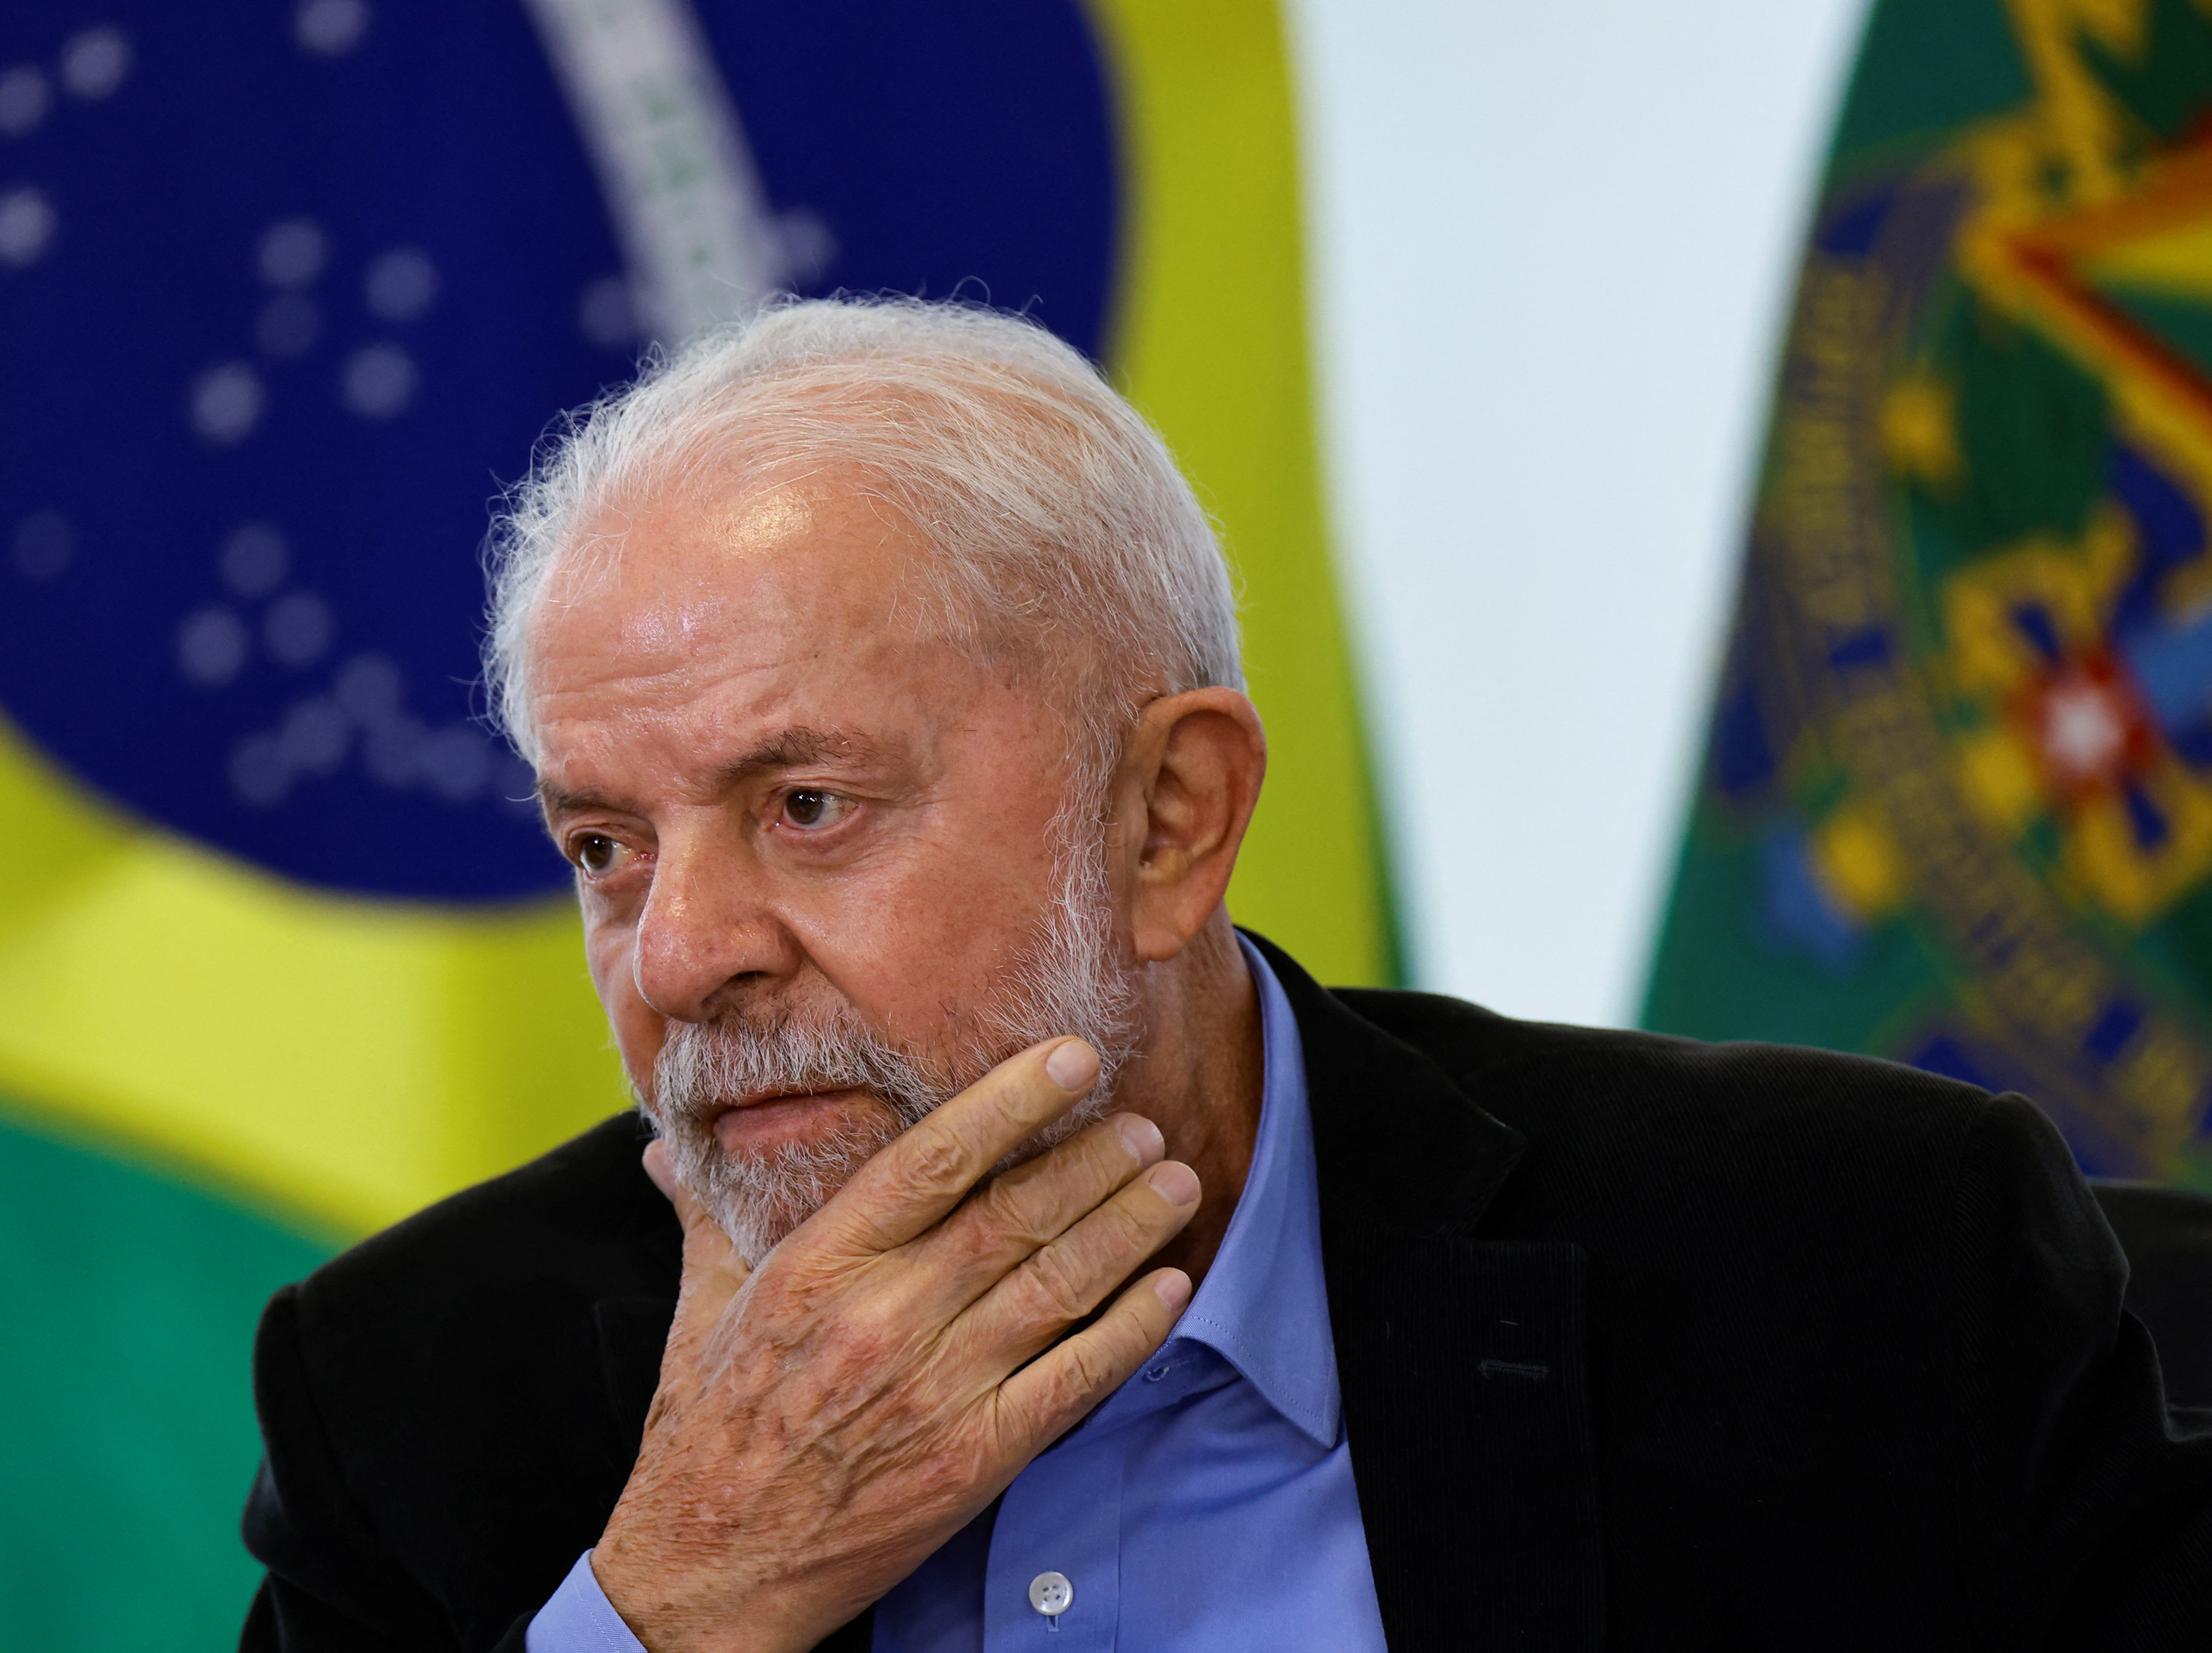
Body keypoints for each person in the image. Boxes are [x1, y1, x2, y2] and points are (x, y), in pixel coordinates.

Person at [239, 297, 2212, 1653]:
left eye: (811, 801)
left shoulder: (1853, 1266)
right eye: (605, 844)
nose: (678, 953)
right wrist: (684, 1598)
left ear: (1170, 813)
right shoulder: (427, 1391)